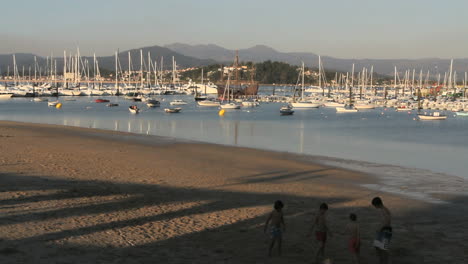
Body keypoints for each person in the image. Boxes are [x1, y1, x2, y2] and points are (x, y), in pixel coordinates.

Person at [372, 197, 392, 264]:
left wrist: (379, 229)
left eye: (374, 206)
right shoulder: (384, 209)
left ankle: (384, 261)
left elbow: (386, 221)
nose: (375, 207)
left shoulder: (383, 210)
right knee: (377, 246)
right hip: (385, 230)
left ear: (377, 204)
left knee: (383, 248)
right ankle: (381, 260)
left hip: (386, 231)